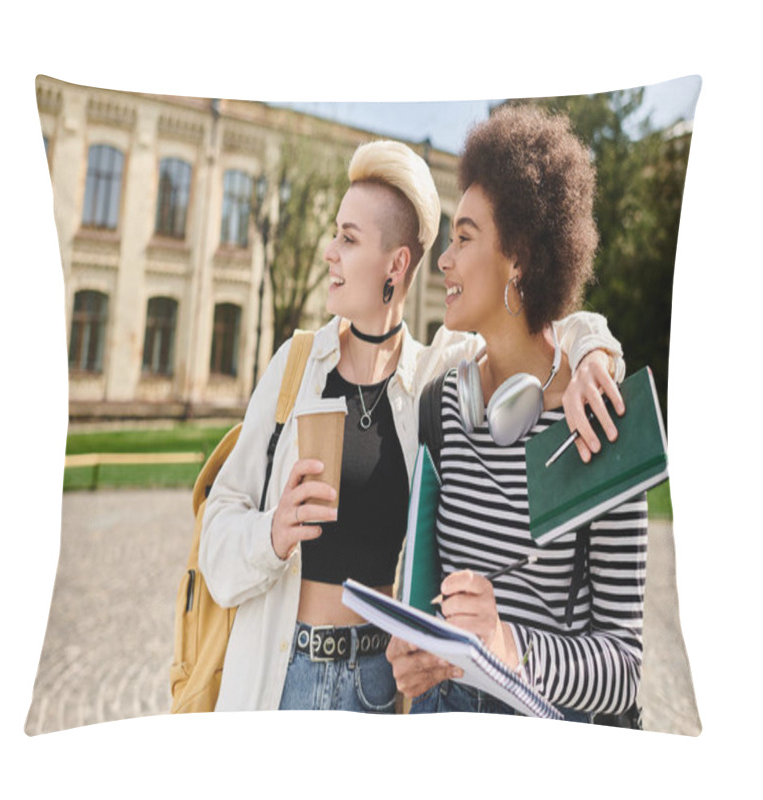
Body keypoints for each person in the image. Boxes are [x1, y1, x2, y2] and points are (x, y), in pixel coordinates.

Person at [199, 137, 626, 713]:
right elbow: (217, 530)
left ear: (396, 265)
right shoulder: (294, 366)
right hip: (282, 675)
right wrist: (272, 534)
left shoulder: (436, 373)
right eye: (335, 233)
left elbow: (534, 323)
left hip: (381, 687)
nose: (329, 252)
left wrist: (594, 351)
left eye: (348, 239)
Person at [386, 105, 647, 723]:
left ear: (520, 258)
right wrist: (416, 648)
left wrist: (508, 644)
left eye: (465, 237)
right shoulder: (442, 407)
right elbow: (425, 594)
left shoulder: (602, 421)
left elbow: (625, 669)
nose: (443, 260)